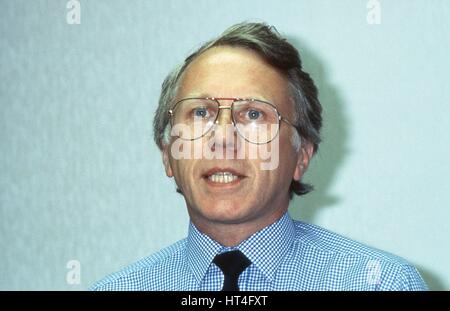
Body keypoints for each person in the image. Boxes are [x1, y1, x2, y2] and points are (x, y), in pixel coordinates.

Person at [91, 22, 427, 291]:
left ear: (301, 156)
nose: (221, 138)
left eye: (253, 115)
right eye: (200, 113)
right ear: (168, 155)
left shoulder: (381, 284)